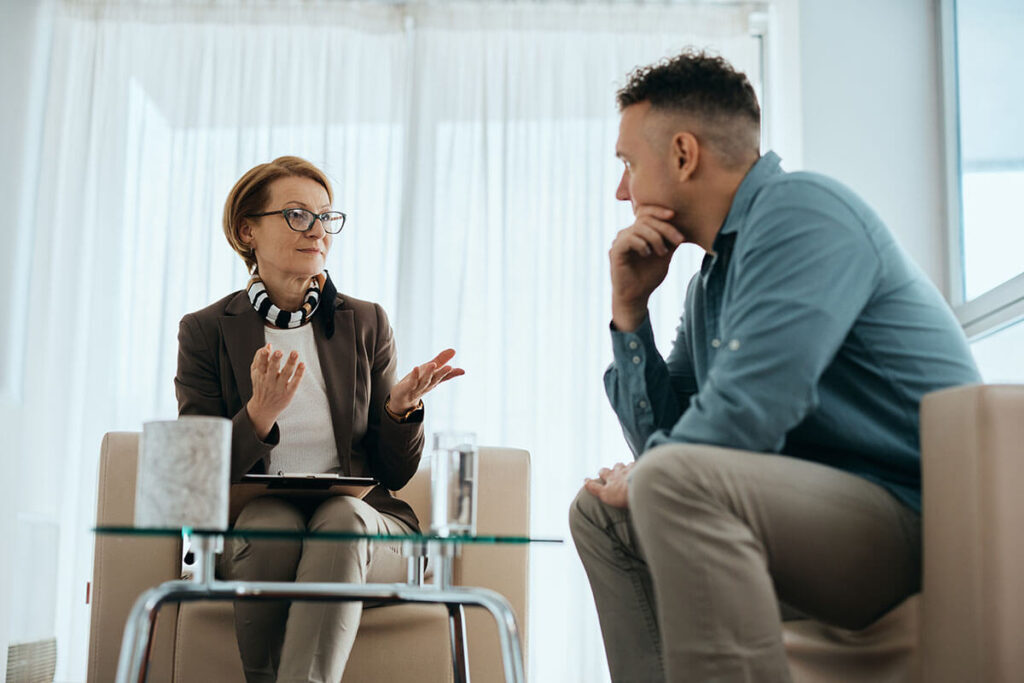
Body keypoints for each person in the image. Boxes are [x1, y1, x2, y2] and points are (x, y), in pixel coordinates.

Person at [569, 50, 981, 683]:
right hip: (814, 520)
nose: (622, 189)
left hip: (917, 523)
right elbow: (670, 448)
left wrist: (658, 469)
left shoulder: (801, 213)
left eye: (628, 163)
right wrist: (629, 311)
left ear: (684, 154)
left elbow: (745, 418)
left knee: (667, 480)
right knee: (599, 511)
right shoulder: (712, 281)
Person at [175, 155, 463, 683]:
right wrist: (259, 414)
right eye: (297, 215)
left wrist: (401, 411)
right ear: (247, 231)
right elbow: (199, 475)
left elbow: (392, 473)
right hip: (259, 521)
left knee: (341, 522)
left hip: (366, 525)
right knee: (270, 525)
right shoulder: (205, 330)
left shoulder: (367, 322)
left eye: (326, 217)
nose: (318, 230)